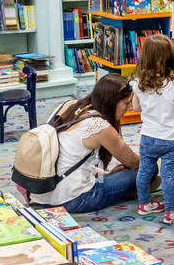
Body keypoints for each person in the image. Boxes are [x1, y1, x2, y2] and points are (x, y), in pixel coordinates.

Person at [18, 73, 140, 215]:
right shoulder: (99, 125)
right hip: (73, 199)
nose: (129, 108)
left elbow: (69, 157)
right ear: (113, 102)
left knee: (118, 175)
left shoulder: (68, 105)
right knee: (145, 171)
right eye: (126, 103)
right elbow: (132, 162)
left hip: (39, 191)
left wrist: (105, 174)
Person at [130, 34, 174, 224]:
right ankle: (171, 213)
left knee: (145, 171)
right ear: (170, 58)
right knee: (168, 176)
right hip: (170, 141)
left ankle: (144, 204)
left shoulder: (138, 84)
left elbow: (135, 107)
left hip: (148, 138)